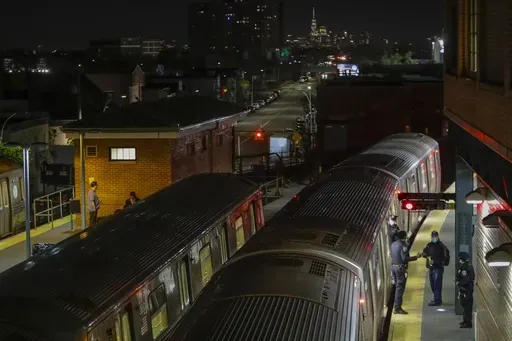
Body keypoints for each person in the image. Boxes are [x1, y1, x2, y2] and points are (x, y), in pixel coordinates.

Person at [390, 230, 421, 314]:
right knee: (400, 288)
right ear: (404, 237)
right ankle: (397, 308)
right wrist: (416, 257)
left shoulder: (393, 244)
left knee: (397, 287)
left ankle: (396, 306)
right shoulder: (403, 246)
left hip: (393, 267)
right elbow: (404, 259)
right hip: (400, 269)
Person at [421, 230, 450, 306]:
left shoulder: (441, 246)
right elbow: (425, 252)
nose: (434, 238)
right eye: (433, 236)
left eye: (435, 236)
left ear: (438, 236)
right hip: (431, 268)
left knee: (437, 284)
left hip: (438, 268)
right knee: (432, 284)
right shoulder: (429, 245)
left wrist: (435, 261)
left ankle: (437, 301)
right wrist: (424, 254)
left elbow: (445, 257)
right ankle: (436, 298)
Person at [456, 252, 475, 328]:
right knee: (465, 306)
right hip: (467, 289)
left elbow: (467, 279)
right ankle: (465, 321)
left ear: (461, 259)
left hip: (466, 290)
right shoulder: (469, 266)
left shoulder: (464, 267)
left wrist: (459, 283)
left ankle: (467, 323)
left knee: (467, 306)